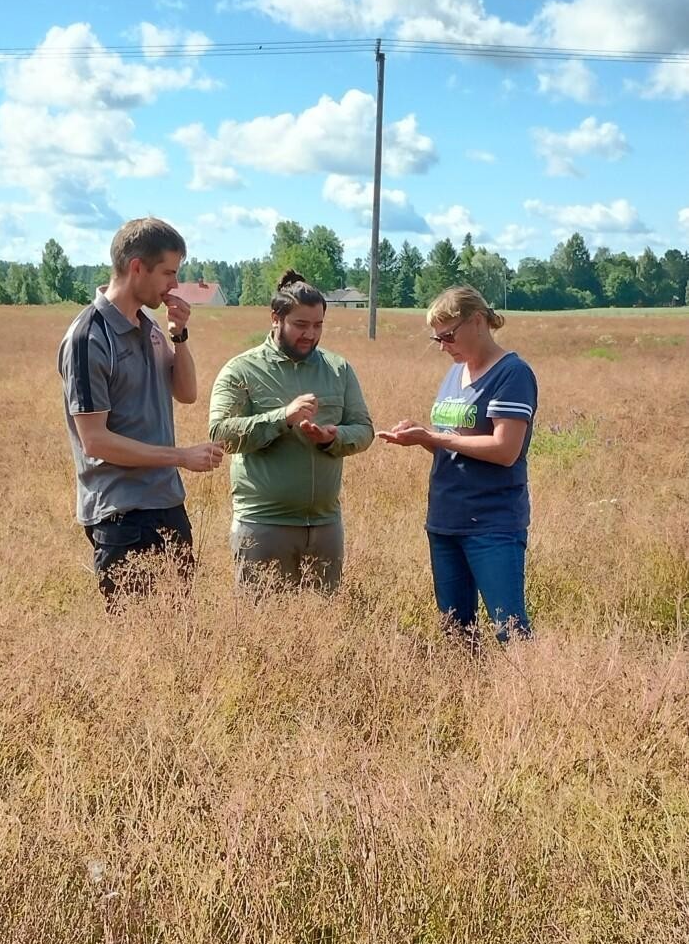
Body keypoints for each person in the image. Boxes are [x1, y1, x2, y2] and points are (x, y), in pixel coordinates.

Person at [58, 217, 224, 607]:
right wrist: (181, 457)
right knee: (138, 644)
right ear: (136, 267)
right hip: (122, 517)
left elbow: (186, 393)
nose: (173, 285)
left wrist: (178, 335)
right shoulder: (88, 338)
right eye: (168, 272)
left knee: (177, 638)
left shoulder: (148, 328)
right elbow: (95, 441)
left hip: (166, 505)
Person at [378, 284, 538, 647]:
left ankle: (527, 697)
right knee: (455, 631)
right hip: (445, 520)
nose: (444, 346)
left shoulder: (512, 373)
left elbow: (504, 450)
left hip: (492, 523)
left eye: (449, 335)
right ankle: (468, 696)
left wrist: (433, 437)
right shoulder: (456, 372)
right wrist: (421, 438)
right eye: (437, 339)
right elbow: (455, 447)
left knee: (510, 630)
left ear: (478, 321)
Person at [208, 269, 374, 592]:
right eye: (300, 325)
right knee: (264, 634)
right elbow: (221, 434)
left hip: (326, 528)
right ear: (275, 317)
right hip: (263, 526)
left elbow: (364, 429)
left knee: (325, 629)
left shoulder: (338, 370)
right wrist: (282, 417)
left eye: (318, 325)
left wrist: (334, 438)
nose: (310, 334)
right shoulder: (241, 370)